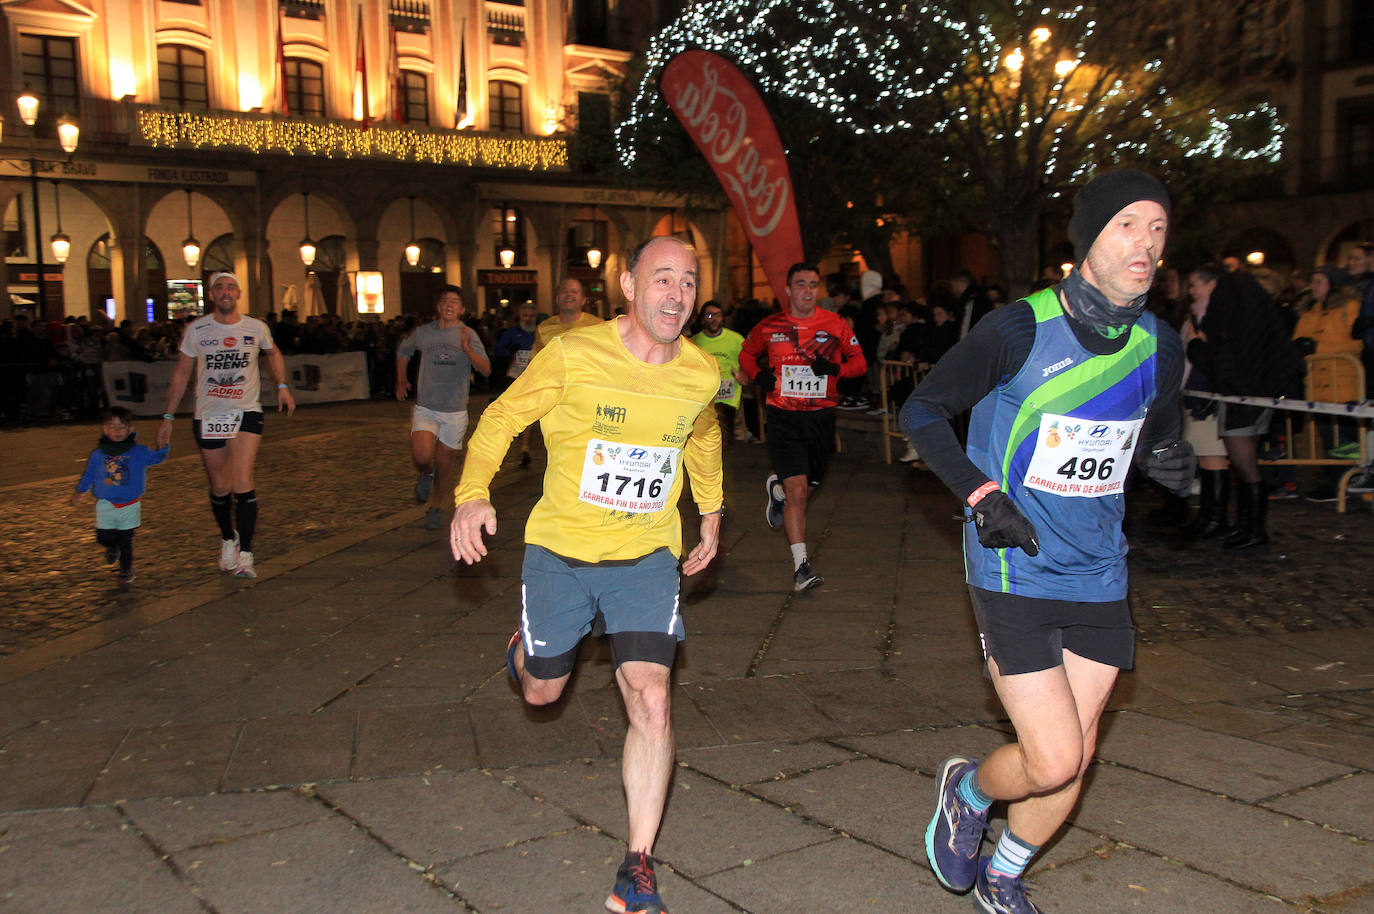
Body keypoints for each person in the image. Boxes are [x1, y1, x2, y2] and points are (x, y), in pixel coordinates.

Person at [902, 169, 1192, 913]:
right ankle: (968, 790)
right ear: (1088, 238)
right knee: (1054, 754)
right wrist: (981, 494)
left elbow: (1155, 433)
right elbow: (924, 411)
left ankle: (1004, 870)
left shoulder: (1160, 345)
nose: (1146, 244)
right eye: (1129, 225)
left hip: (1100, 571)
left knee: (1076, 759)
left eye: (1157, 229)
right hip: (1015, 564)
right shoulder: (1020, 328)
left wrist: (1168, 459)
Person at [450, 236, 721, 914]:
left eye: (688, 282)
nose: (677, 295)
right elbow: (504, 416)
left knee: (652, 699)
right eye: (662, 280)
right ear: (628, 285)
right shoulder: (572, 353)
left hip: (646, 556)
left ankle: (638, 865)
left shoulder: (699, 373)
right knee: (543, 692)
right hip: (562, 552)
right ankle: (526, 655)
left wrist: (711, 511)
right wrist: (472, 493)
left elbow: (704, 435)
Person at [739, 262, 867, 591]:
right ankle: (802, 568)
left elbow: (860, 364)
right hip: (783, 416)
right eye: (800, 284)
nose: (807, 291)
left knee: (806, 490)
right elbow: (746, 355)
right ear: (788, 290)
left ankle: (776, 490)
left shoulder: (835, 324)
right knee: (799, 493)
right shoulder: (770, 326)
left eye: (813, 285)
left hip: (821, 417)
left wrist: (834, 368)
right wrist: (759, 376)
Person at [157, 272, 295, 579]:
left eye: (230, 287)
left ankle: (245, 552)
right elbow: (181, 374)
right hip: (209, 414)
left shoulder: (255, 327)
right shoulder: (197, 329)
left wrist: (282, 385)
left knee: (243, 480)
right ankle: (227, 538)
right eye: (219, 287)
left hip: (246, 410)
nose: (225, 292)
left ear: (239, 293)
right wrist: (168, 416)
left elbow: (273, 352)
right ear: (211, 295)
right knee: (220, 486)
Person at [396, 285, 491, 530]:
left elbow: (486, 369)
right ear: (438, 307)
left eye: (455, 302)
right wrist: (401, 379)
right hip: (427, 406)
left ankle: (436, 506)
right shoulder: (424, 332)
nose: (449, 305)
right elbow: (403, 352)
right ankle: (425, 473)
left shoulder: (468, 334)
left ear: (462, 309)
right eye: (445, 301)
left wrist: (467, 349)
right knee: (422, 456)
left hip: (455, 411)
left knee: (445, 464)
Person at [70, 406, 170, 584]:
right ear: (104, 428)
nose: (117, 431)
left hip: (129, 504)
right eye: (112, 426)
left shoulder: (139, 451)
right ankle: (111, 546)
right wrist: (80, 491)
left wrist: (163, 447)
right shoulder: (98, 454)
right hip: (106, 503)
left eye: (122, 426)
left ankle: (126, 569)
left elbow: (156, 458)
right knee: (103, 537)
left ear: (130, 429)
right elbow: (90, 475)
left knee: (126, 540)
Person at [691, 300, 747, 443]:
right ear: (702, 319)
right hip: (704, 399)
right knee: (705, 439)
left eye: (718, 315)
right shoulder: (694, 342)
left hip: (728, 398)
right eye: (709, 315)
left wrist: (744, 375)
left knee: (725, 439)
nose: (714, 319)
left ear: (723, 318)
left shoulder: (736, 339)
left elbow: (748, 362)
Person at [492, 300, 539, 467]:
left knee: (529, 414)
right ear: (520, 316)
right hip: (514, 377)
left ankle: (525, 449)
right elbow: (497, 349)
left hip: (534, 378)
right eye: (525, 315)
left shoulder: (540, 332)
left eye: (531, 316)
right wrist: (509, 351)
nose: (528, 319)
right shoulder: (512, 333)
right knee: (515, 411)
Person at [532, 277, 602, 353]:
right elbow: (534, 360)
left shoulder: (598, 325)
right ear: (557, 299)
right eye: (565, 291)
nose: (569, 294)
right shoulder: (543, 328)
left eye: (574, 291)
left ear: (583, 300)